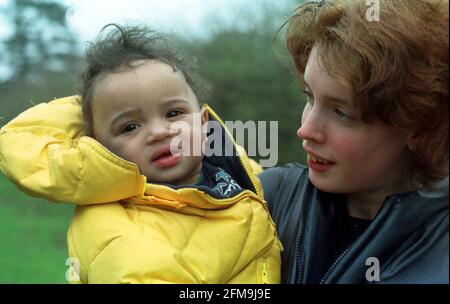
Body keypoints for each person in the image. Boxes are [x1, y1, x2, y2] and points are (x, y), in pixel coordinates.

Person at [0, 24, 282, 283]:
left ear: (204, 122)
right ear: (99, 145)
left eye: (173, 113)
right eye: (129, 127)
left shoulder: (236, 171)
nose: (159, 132)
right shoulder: (110, 227)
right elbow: (23, 136)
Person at [259, 0, 448, 283]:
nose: (306, 130)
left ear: (419, 126)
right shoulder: (264, 200)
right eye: (309, 96)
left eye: (342, 113)